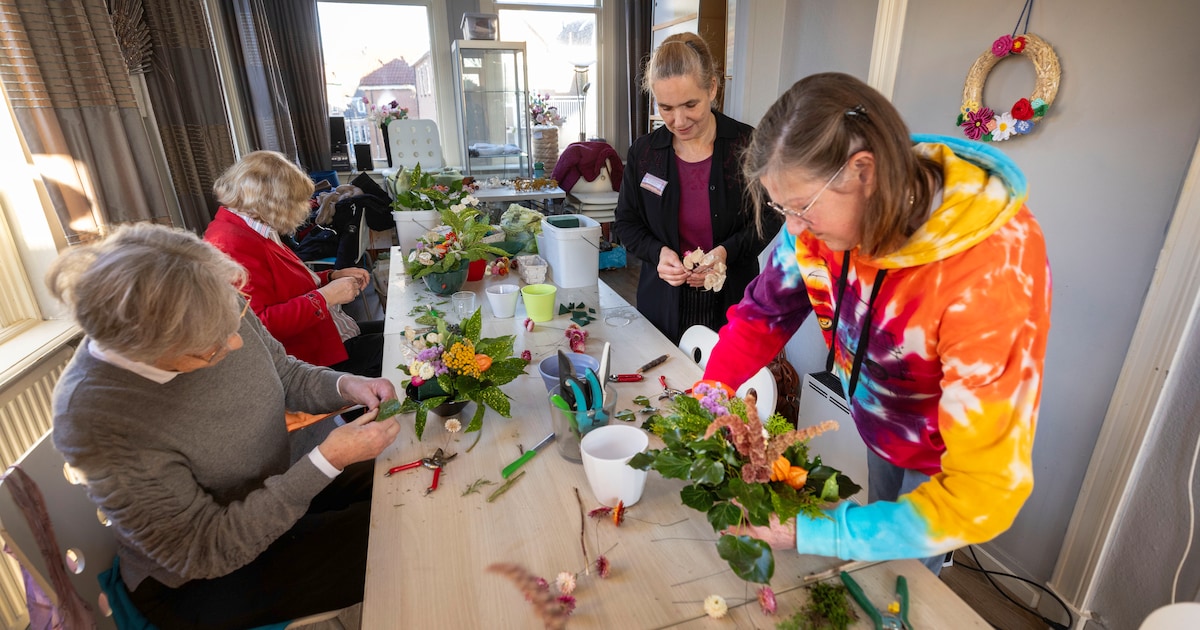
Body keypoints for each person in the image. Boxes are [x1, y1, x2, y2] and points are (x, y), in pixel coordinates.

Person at [705, 73, 1052, 574]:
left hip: (944, 460)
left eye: (801, 208)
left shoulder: (992, 265)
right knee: (876, 558)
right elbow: (763, 314)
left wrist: (812, 531)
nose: (794, 228)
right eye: (783, 209)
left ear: (862, 172)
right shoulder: (821, 223)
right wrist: (712, 387)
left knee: (905, 577)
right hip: (879, 426)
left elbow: (982, 493)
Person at [46, 223, 403, 628]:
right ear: (147, 352)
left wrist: (346, 385)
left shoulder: (209, 301)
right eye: (212, 347)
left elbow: (283, 373)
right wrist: (326, 459)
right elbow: (204, 549)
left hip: (273, 488)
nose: (234, 343)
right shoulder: (96, 418)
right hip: (202, 576)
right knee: (400, 539)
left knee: (409, 471)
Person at [613, 33, 780, 344]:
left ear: (712, 88)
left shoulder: (748, 145)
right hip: (661, 304)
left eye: (690, 104)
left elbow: (771, 216)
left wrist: (725, 253)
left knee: (723, 389)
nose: (679, 120)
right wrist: (658, 252)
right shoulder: (644, 153)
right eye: (666, 108)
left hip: (731, 302)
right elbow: (626, 222)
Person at [205, 150, 384, 377]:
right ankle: (364, 405)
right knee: (409, 348)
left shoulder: (253, 228)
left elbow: (286, 285)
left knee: (405, 334)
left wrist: (329, 277)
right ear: (272, 202)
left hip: (330, 335)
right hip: (312, 358)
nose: (303, 208)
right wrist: (326, 296)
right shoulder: (231, 245)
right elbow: (261, 325)